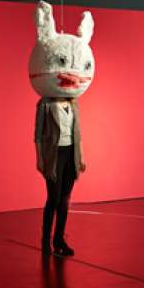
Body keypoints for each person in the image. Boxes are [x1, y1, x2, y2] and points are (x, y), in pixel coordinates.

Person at [35, 96, 86, 256]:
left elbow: (77, 132)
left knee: (64, 200)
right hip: (54, 155)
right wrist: (40, 159)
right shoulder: (45, 103)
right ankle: (45, 241)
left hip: (71, 154)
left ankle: (59, 239)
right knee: (54, 199)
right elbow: (38, 135)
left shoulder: (73, 102)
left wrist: (81, 157)